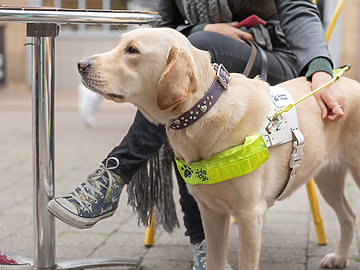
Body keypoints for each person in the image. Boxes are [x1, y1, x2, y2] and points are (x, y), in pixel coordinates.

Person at [47, 1, 344, 269]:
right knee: (186, 106)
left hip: (278, 60)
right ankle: (204, 245)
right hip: (202, 64)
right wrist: (202, 26)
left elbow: (299, 11)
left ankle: (115, 174)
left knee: (195, 55)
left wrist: (319, 67)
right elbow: (159, 30)